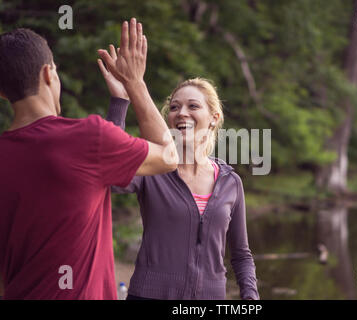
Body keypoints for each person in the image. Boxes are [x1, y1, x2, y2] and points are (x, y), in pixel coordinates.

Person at [0, 18, 178, 299]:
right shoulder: (88, 138)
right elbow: (168, 155)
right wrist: (136, 83)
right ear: (47, 74)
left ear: (1, 91)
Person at [100, 52, 259, 299]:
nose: (181, 112)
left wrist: (250, 297)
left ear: (214, 119)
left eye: (193, 106)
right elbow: (109, 171)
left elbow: (241, 254)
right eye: (174, 107)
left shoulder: (230, 182)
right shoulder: (152, 169)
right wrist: (120, 101)